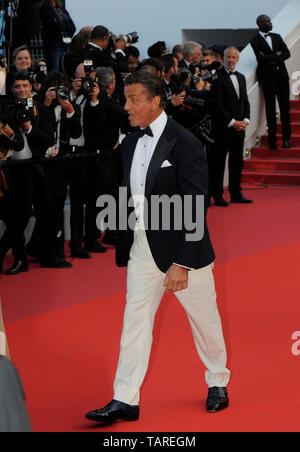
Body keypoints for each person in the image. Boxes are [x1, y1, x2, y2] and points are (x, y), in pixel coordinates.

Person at [85, 71, 230, 424]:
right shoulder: (132, 141)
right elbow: (129, 191)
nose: (127, 106)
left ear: (155, 102)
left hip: (183, 252)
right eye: (125, 98)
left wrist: (182, 261)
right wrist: (121, 234)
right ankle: (124, 398)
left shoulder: (186, 143)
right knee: (134, 320)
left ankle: (217, 380)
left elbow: (196, 204)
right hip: (141, 248)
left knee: (204, 321)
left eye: (133, 99)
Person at [210, 47, 252, 206]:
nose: (231, 60)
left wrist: (246, 120)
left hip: (239, 128)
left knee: (237, 161)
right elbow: (216, 104)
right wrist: (232, 122)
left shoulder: (241, 77)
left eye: (234, 57)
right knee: (218, 162)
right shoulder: (217, 76)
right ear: (223, 57)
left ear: (238, 59)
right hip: (222, 128)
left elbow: (245, 101)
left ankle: (236, 193)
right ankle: (217, 195)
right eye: (228, 57)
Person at [250, 14, 291, 149]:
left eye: (269, 21)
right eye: (267, 22)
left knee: (285, 109)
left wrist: (271, 58)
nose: (270, 23)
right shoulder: (255, 40)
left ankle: (286, 139)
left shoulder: (277, 36)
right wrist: (277, 55)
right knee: (270, 110)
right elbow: (260, 60)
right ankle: (272, 141)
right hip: (268, 79)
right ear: (260, 24)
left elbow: (287, 53)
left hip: (282, 78)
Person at [40, 0, 76, 71]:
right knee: (55, 69)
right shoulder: (44, 8)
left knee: (66, 67)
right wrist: (64, 27)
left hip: (66, 43)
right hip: (54, 44)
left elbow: (72, 26)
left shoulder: (61, 8)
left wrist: (66, 31)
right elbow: (54, 25)